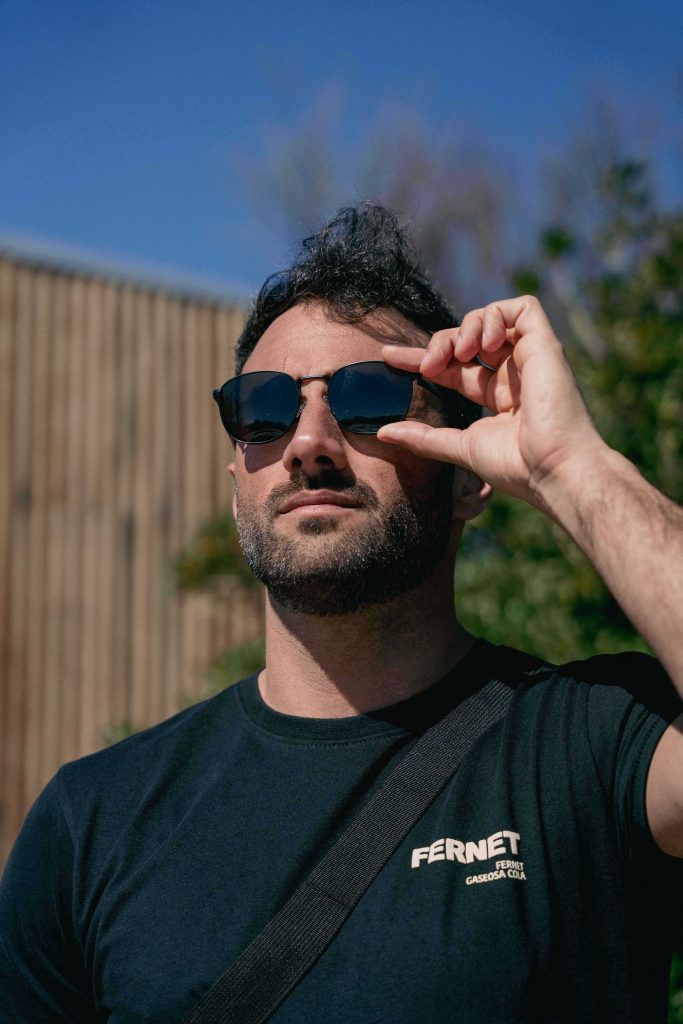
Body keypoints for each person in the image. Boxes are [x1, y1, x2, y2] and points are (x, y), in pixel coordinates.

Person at [1, 204, 681, 1023]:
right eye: (264, 407)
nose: (308, 442)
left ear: (470, 476)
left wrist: (572, 465)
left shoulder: (590, 745)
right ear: (236, 474)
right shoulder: (91, 822)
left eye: (368, 397)